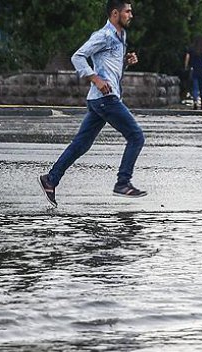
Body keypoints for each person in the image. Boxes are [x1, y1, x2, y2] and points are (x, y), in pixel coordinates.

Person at [38, 0, 146, 207]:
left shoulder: (120, 36)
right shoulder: (103, 35)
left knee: (81, 144)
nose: (131, 15)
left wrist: (126, 62)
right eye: (127, 11)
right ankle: (123, 183)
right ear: (115, 13)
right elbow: (77, 57)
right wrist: (94, 77)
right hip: (106, 99)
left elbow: (109, 66)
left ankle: (50, 180)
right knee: (136, 136)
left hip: (100, 99)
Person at [184, 36, 202, 110]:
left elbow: (187, 58)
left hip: (194, 69)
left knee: (195, 87)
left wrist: (186, 66)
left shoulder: (191, 49)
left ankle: (195, 101)